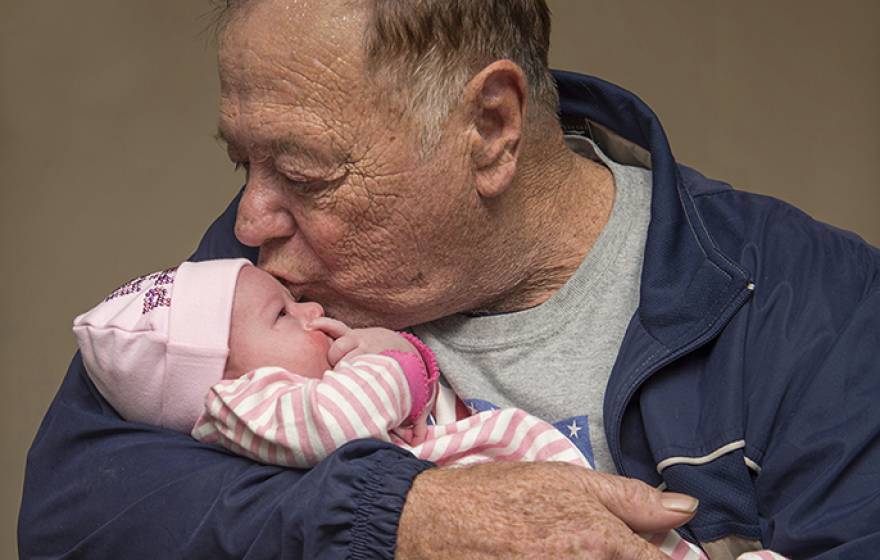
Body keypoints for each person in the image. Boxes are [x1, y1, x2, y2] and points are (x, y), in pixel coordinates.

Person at [19, 1, 879, 559]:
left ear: (492, 126)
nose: (249, 221)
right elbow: (73, 517)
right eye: (244, 161)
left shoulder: (816, 302)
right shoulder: (252, 276)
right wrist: (401, 518)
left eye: (307, 173)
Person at [72, 258, 709, 559]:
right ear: (218, 375)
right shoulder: (245, 405)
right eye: (282, 314)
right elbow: (340, 423)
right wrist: (394, 361)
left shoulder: (262, 389)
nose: (313, 312)